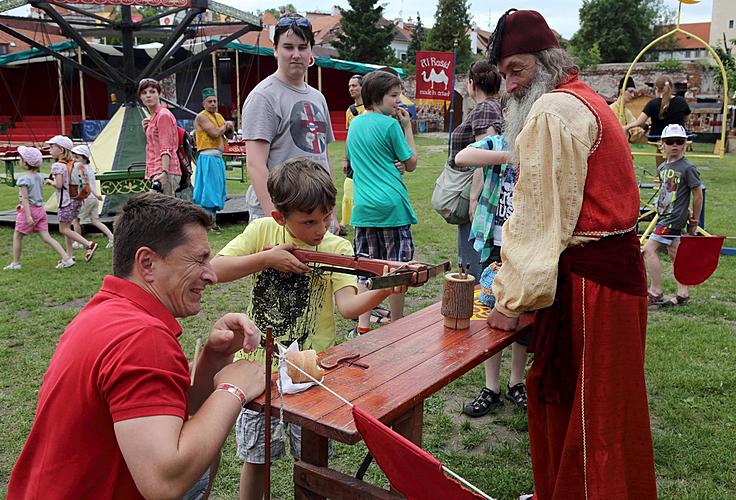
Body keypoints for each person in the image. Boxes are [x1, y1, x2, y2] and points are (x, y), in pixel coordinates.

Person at [486, 9, 657, 499]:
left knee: (590, 412)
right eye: (503, 74)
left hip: (592, 288)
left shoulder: (552, 111)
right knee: (608, 406)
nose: (509, 85)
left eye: (516, 70)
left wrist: (509, 303)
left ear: (545, 63)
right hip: (613, 278)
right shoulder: (591, 100)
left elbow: (539, 220)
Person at [7, 193, 267, 499]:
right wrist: (232, 391)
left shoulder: (108, 311)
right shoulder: (142, 339)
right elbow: (164, 482)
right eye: (199, 259)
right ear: (147, 263)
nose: (211, 275)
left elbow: (167, 410)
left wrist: (214, 357)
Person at [210, 157, 406, 500]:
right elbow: (215, 268)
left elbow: (347, 306)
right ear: (280, 218)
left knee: (313, 463)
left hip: (313, 372)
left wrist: (385, 288)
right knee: (257, 459)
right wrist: (266, 259)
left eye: (327, 217)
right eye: (310, 221)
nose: (321, 229)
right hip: (259, 369)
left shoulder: (337, 247)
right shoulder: (261, 232)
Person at [454, 135, 529, 415]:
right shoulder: (496, 143)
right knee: (490, 314)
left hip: (525, 244)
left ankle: (516, 381)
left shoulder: (538, 141)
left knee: (521, 314)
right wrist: (508, 157)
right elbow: (462, 157)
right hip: (494, 243)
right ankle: (491, 387)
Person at [241, 13, 335, 225]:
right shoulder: (264, 96)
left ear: (311, 50)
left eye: (302, 47)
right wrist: (275, 218)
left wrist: (331, 212)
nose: (296, 54)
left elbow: (324, 157)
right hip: (280, 212)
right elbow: (255, 164)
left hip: (315, 212)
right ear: (275, 50)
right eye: (288, 47)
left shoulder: (317, 97)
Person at [346, 69, 418, 336]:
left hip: (364, 208)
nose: (398, 101)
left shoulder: (354, 125)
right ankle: (397, 324)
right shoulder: (390, 125)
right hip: (392, 208)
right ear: (378, 96)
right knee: (397, 272)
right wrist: (407, 126)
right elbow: (410, 163)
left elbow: (357, 163)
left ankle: (363, 326)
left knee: (366, 269)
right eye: (394, 96)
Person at [642, 124, 702, 308]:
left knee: (648, 250)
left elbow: (697, 194)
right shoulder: (662, 168)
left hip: (672, 219)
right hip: (665, 215)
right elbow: (670, 193)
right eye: (670, 141)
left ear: (685, 144)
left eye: (679, 141)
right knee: (675, 253)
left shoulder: (688, 168)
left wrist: (695, 219)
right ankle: (683, 293)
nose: (674, 145)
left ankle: (656, 291)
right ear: (662, 145)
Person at [3, 146, 72, 271]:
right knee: (47, 237)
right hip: (41, 210)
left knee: (17, 235)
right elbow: (33, 194)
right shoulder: (40, 177)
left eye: (20, 158)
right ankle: (67, 258)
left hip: (29, 211)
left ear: (25, 163)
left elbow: (25, 198)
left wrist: (28, 215)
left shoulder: (24, 179)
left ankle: (15, 263)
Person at [45, 135, 98, 265]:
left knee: (63, 229)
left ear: (61, 150)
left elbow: (58, 185)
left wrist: (49, 181)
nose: (49, 150)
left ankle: (89, 244)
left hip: (65, 202)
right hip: (77, 200)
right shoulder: (74, 164)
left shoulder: (57, 166)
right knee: (67, 228)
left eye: (52, 147)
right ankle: (69, 255)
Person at [624, 75, 691, 165]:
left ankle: (660, 175)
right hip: (678, 138)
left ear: (657, 89)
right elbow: (686, 118)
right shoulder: (681, 101)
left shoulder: (653, 104)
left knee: (660, 149)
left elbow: (639, 122)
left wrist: (626, 127)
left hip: (658, 139)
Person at [194, 87, 233, 233]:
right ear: (204, 103)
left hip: (217, 158)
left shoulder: (219, 116)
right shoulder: (202, 116)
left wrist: (229, 128)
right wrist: (225, 125)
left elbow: (228, 136)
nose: (213, 104)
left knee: (217, 190)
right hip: (208, 157)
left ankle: (212, 222)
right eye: (209, 101)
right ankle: (208, 223)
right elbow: (215, 132)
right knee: (209, 190)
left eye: (215, 101)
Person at [139, 78, 182, 197]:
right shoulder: (153, 118)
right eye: (144, 93)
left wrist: (164, 172)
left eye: (152, 92)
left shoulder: (163, 115)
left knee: (164, 212)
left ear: (159, 94)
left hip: (165, 171)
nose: (148, 96)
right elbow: (155, 145)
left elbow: (166, 147)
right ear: (141, 98)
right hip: (156, 171)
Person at [71, 145, 114, 249]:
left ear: (84, 158)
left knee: (76, 220)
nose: (74, 160)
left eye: (77, 157)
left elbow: (86, 184)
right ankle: (112, 237)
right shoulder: (89, 168)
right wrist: (96, 196)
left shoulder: (80, 169)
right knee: (95, 221)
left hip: (86, 198)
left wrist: (94, 194)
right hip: (93, 199)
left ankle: (78, 242)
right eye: (74, 157)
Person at [340, 74, 364, 236]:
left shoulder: (370, 108)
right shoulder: (350, 111)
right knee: (348, 188)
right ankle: (344, 223)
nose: (351, 89)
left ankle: (359, 221)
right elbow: (349, 136)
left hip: (367, 157)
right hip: (354, 157)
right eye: (349, 86)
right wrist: (345, 158)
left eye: (355, 85)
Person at [610, 76, 647, 144]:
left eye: (634, 93)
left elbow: (635, 131)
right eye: (630, 92)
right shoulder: (610, 110)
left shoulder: (628, 112)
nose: (633, 95)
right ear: (622, 91)